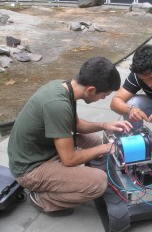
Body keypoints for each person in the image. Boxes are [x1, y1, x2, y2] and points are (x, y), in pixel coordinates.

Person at [8, 57, 132, 216]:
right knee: (99, 182)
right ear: (91, 90)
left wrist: (104, 125)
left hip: (43, 149)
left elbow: (77, 124)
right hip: (29, 168)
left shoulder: (66, 87)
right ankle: (43, 199)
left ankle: (73, 179)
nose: (102, 99)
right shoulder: (57, 104)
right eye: (103, 95)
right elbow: (69, 159)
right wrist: (106, 148)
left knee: (95, 142)